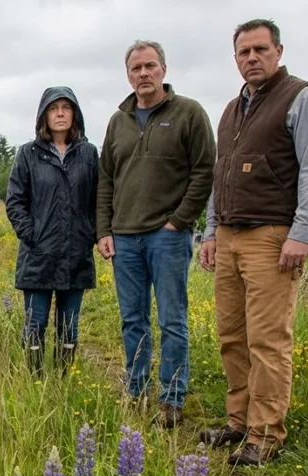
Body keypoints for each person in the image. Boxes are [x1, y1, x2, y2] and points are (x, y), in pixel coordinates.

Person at [198, 19, 308, 466]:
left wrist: (302, 233)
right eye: (244, 52)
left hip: (272, 237)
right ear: (235, 58)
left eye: (260, 49)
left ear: (278, 51)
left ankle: (266, 434)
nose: (252, 58)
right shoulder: (231, 110)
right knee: (232, 336)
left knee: (267, 340)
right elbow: (221, 176)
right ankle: (238, 422)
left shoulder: (302, 97)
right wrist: (211, 231)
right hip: (230, 236)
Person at [97, 40, 215, 427]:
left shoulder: (188, 113)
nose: (143, 73)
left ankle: (172, 398)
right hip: (124, 237)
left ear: (163, 69)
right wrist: (104, 229)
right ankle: (136, 390)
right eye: (136, 68)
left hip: (167, 237)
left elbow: (204, 171)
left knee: (172, 320)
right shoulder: (118, 121)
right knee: (133, 320)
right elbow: (105, 179)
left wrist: (179, 221)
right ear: (128, 75)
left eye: (150, 66)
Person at [6, 87, 99, 376]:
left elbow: (99, 200)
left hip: (76, 255)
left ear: (75, 114)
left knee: (69, 327)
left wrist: (90, 234)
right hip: (38, 257)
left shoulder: (88, 154)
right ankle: (35, 382)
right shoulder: (28, 154)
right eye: (53, 108)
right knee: (35, 325)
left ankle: (63, 380)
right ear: (43, 115)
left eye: (66, 108)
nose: (60, 114)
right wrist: (32, 235)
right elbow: (15, 201)